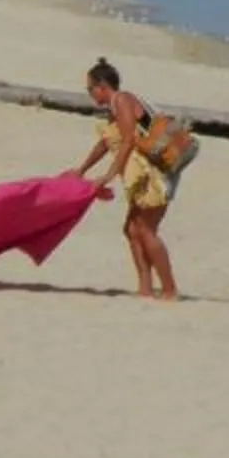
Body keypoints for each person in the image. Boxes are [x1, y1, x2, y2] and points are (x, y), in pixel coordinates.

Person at [75, 57, 184, 301]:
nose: (89, 93)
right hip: (141, 175)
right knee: (132, 230)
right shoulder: (113, 109)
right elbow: (106, 142)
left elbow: (128, 140)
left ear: (102, 86)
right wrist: (82, 169)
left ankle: (169, 289)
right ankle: (145, 288)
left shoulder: (122, 100)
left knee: (145, 230)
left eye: (90, 88)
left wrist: (110, 174)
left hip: (155, 174)